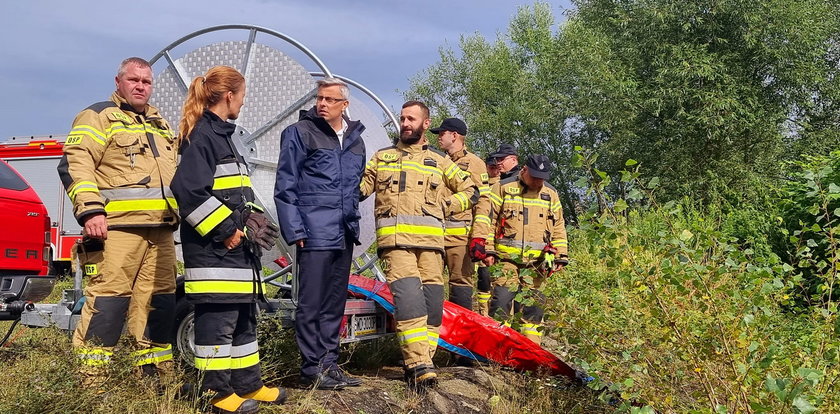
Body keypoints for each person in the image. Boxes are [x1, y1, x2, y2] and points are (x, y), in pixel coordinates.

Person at [171, 66, 285, 414]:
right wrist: (228, 230)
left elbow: (234, 191)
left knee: (242, 320)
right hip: (214, 253)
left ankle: (249, 384)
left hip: (235, 254)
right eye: (243, 95)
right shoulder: (203, 135)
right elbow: (187, 191)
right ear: (229, 96)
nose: (243, 102)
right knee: (217, 324)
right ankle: (215, 395)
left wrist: (253, 216)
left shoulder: (223, 137)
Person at [57, 57, 178, 383]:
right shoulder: (98, 116)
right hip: (118, 228)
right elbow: (74, 164)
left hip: (161, 229)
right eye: (134, 80)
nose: (140, 86)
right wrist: (92, 211)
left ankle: (156, 379)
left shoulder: (160, 123)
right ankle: (91, 384)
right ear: (118, 81)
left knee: (159, 304)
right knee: (108, 305)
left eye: (146, 81)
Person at [360, 101, 478, 390]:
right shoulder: (382, 158)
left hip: (431, 247)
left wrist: (449, 205)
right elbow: (360, 189)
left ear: (426, 124)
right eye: (402, 118)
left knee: (433, 309)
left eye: (411, 119)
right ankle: (418, 365)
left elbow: (472, 190)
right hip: (396, 244)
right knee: (410, 303)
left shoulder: (439, 162)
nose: (405, 123)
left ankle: (423, 359)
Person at [274, 78, 366, 390]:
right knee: (311, 303)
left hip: (343, 232)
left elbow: (353, 188)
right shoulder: (300, 133)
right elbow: (285, 186)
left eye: (329, 99)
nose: (322, 104)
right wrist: (295, 229)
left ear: (345, 104)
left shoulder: (356, 141)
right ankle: (311, 369)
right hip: (313, 231)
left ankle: (330, 364)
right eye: (320, 98)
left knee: (333, 303)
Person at [470, 154, 568, 345]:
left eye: (542, 177)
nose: (538, 181)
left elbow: (558, 227)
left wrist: (561, 256)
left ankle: (530, 353)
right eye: (535, 176)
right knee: (501, 303)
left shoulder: (551, 194)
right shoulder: (504, 188)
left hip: (537, 264)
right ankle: (497, 350)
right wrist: (488, 250)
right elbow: (489, 221)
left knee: (534, 309)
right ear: (524, 170)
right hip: (505, 260)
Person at [430, 118, 490, 311]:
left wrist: (479, 237)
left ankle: (461, 337)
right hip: (434, 236)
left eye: (442, 133)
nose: (438, 137)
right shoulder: (437, 161)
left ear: (454, 135)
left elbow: (482, 202)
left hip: (460, 239)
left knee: (461, 287)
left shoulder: (475, 163)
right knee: (431, 286)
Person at [475, 154, 501, 316]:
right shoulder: (482, 186)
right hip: (485, 234)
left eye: (498, 168)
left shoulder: (506, 186)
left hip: (502, 237)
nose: (496, 171)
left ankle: (496, 313)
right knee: (484, 276)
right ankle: (483, 313)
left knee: (500, 279)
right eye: (492, 167)